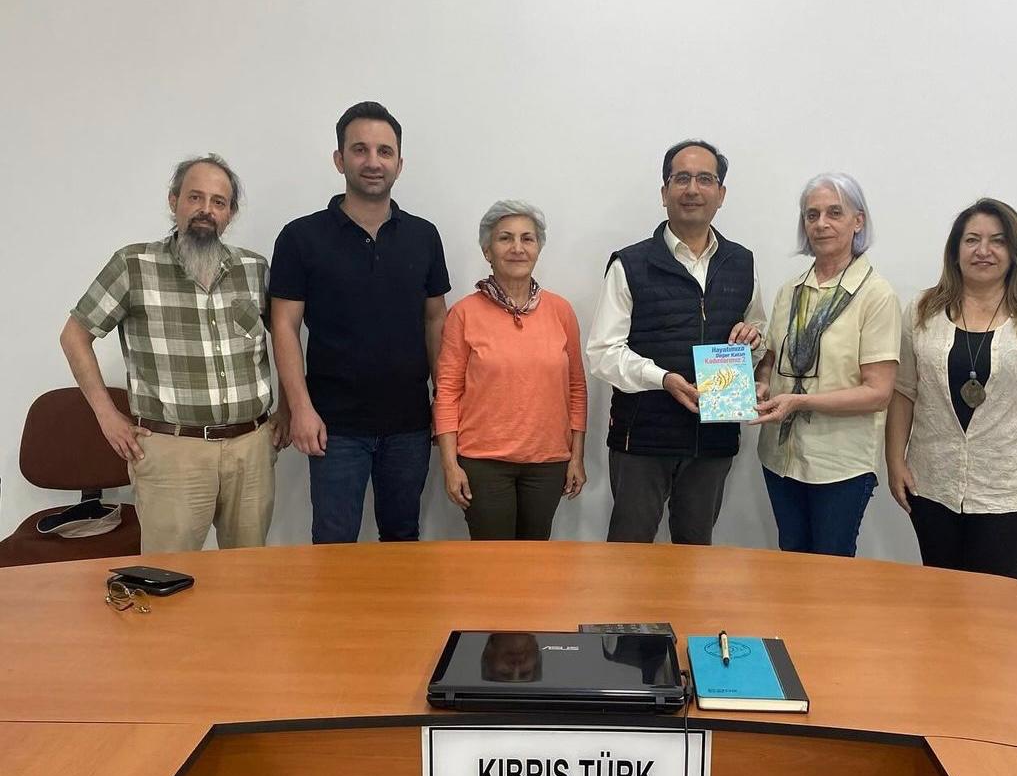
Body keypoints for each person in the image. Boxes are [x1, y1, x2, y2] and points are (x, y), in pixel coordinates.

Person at [61, 154, 290, 553]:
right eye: (195, 197)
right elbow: (74, 335)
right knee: (168, 577)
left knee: (250, 576)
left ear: (230, 213)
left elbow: (286, 338)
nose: (206, 210)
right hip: (172, 452)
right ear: (174, 201)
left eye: (218, 202)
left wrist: (288, 408)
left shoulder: (254, 270)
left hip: (251, 448)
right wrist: (106, 415)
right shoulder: (134, 264)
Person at [270, 102, 450, 543]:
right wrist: (300, 408)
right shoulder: (300, 237)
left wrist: (443, 402)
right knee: (334, 545)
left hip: (409, 423)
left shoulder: (424, 236)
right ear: (339, 159)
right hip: (333, 425)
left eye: (385, 151)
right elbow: (284, 327)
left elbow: (435, 320)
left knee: (402, 540)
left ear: (399, 164)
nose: (373, 161)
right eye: (360, 149)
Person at [885, 198, 1017, 578]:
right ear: (955, 251)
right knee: (939, 594)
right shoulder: (923, 311)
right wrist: (895, 461)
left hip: (1008, 495)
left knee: (994, 603)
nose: (983, 250)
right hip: (932, 486)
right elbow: (904, 391)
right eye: (972, 240)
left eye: (997, 240)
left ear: (1015, 251)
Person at [586, 139, 766, 545]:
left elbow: (757, 331)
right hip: (643, 438)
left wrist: (753, 340)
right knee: (629, 554)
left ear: (721, 193)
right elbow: (602, 353)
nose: (692, 189)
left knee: (696, 555)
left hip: (714, 437)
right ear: (664, 191)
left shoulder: (742, 262)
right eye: (681, 178)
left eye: (705, 179)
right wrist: (662, 378)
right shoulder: (630, 263)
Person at [753, 172, 900, 557]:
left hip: (840, 464)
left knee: (830, 570)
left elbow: (878, 393)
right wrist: (762, 384)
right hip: (781, 458)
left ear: (858, 221)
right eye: (812, 214)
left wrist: (800, 402)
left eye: (835, 213)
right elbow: (771, 360)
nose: (821, 224)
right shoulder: (790, 290)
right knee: (791, 558)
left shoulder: (876, 295)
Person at [434, 201, 587, 540]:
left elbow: (576, 387)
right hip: (483, 463)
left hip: (548, 463)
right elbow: (447, 393)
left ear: (538, 249)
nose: (517, 248)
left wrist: (576, 456)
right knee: (493, 562)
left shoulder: (561, 311)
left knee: (536, 559)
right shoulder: (464, 314)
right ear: (488, 251)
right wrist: (449, 464)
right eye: (505, 238)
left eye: (527, 239)